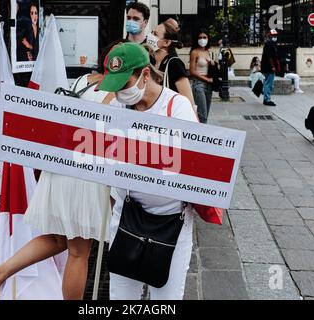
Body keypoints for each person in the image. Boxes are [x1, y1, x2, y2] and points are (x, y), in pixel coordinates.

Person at [0, 42, 122, 301]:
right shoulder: (116, 94)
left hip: (61, 169)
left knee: (57, 239)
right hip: (86, 177)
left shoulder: (83, 80)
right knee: (78, 252)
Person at [97, 42, 198, 300]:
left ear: (144, 74)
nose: (119, 92)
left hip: (170, 225)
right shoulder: (118, 107)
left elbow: (196, 165)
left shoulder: (177, 107)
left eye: (123, 84)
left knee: (166, 298)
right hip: (126, 219)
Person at [146, 19, 196, 111]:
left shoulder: (174, 64)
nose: (150, 36)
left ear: (166, 42)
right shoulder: (151, 62)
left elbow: (189, 101)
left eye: (155, 34)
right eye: (152, 32)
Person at [189, 29, 216, 123]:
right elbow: (192, 71)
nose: (202, 39)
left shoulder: (208, 52)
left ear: (208, 39)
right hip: (198, 84)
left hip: (209, 85)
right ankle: (200, 135)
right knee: (202, 115)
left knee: (206, 114)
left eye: (204, 37)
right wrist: (207, 80)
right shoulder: (194, 52)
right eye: (200, 37)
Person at [261, 29, 279, 106]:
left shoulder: (269, 43)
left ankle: (266, 99)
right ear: (270, 35)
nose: (275, 37)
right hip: (268, 67)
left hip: (266, 66)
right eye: (274, 35)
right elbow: (269, 57)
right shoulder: (270, 44)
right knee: (269, 83)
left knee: (267, 83)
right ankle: (267, 99)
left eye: (276, 35)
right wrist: (272, 66)